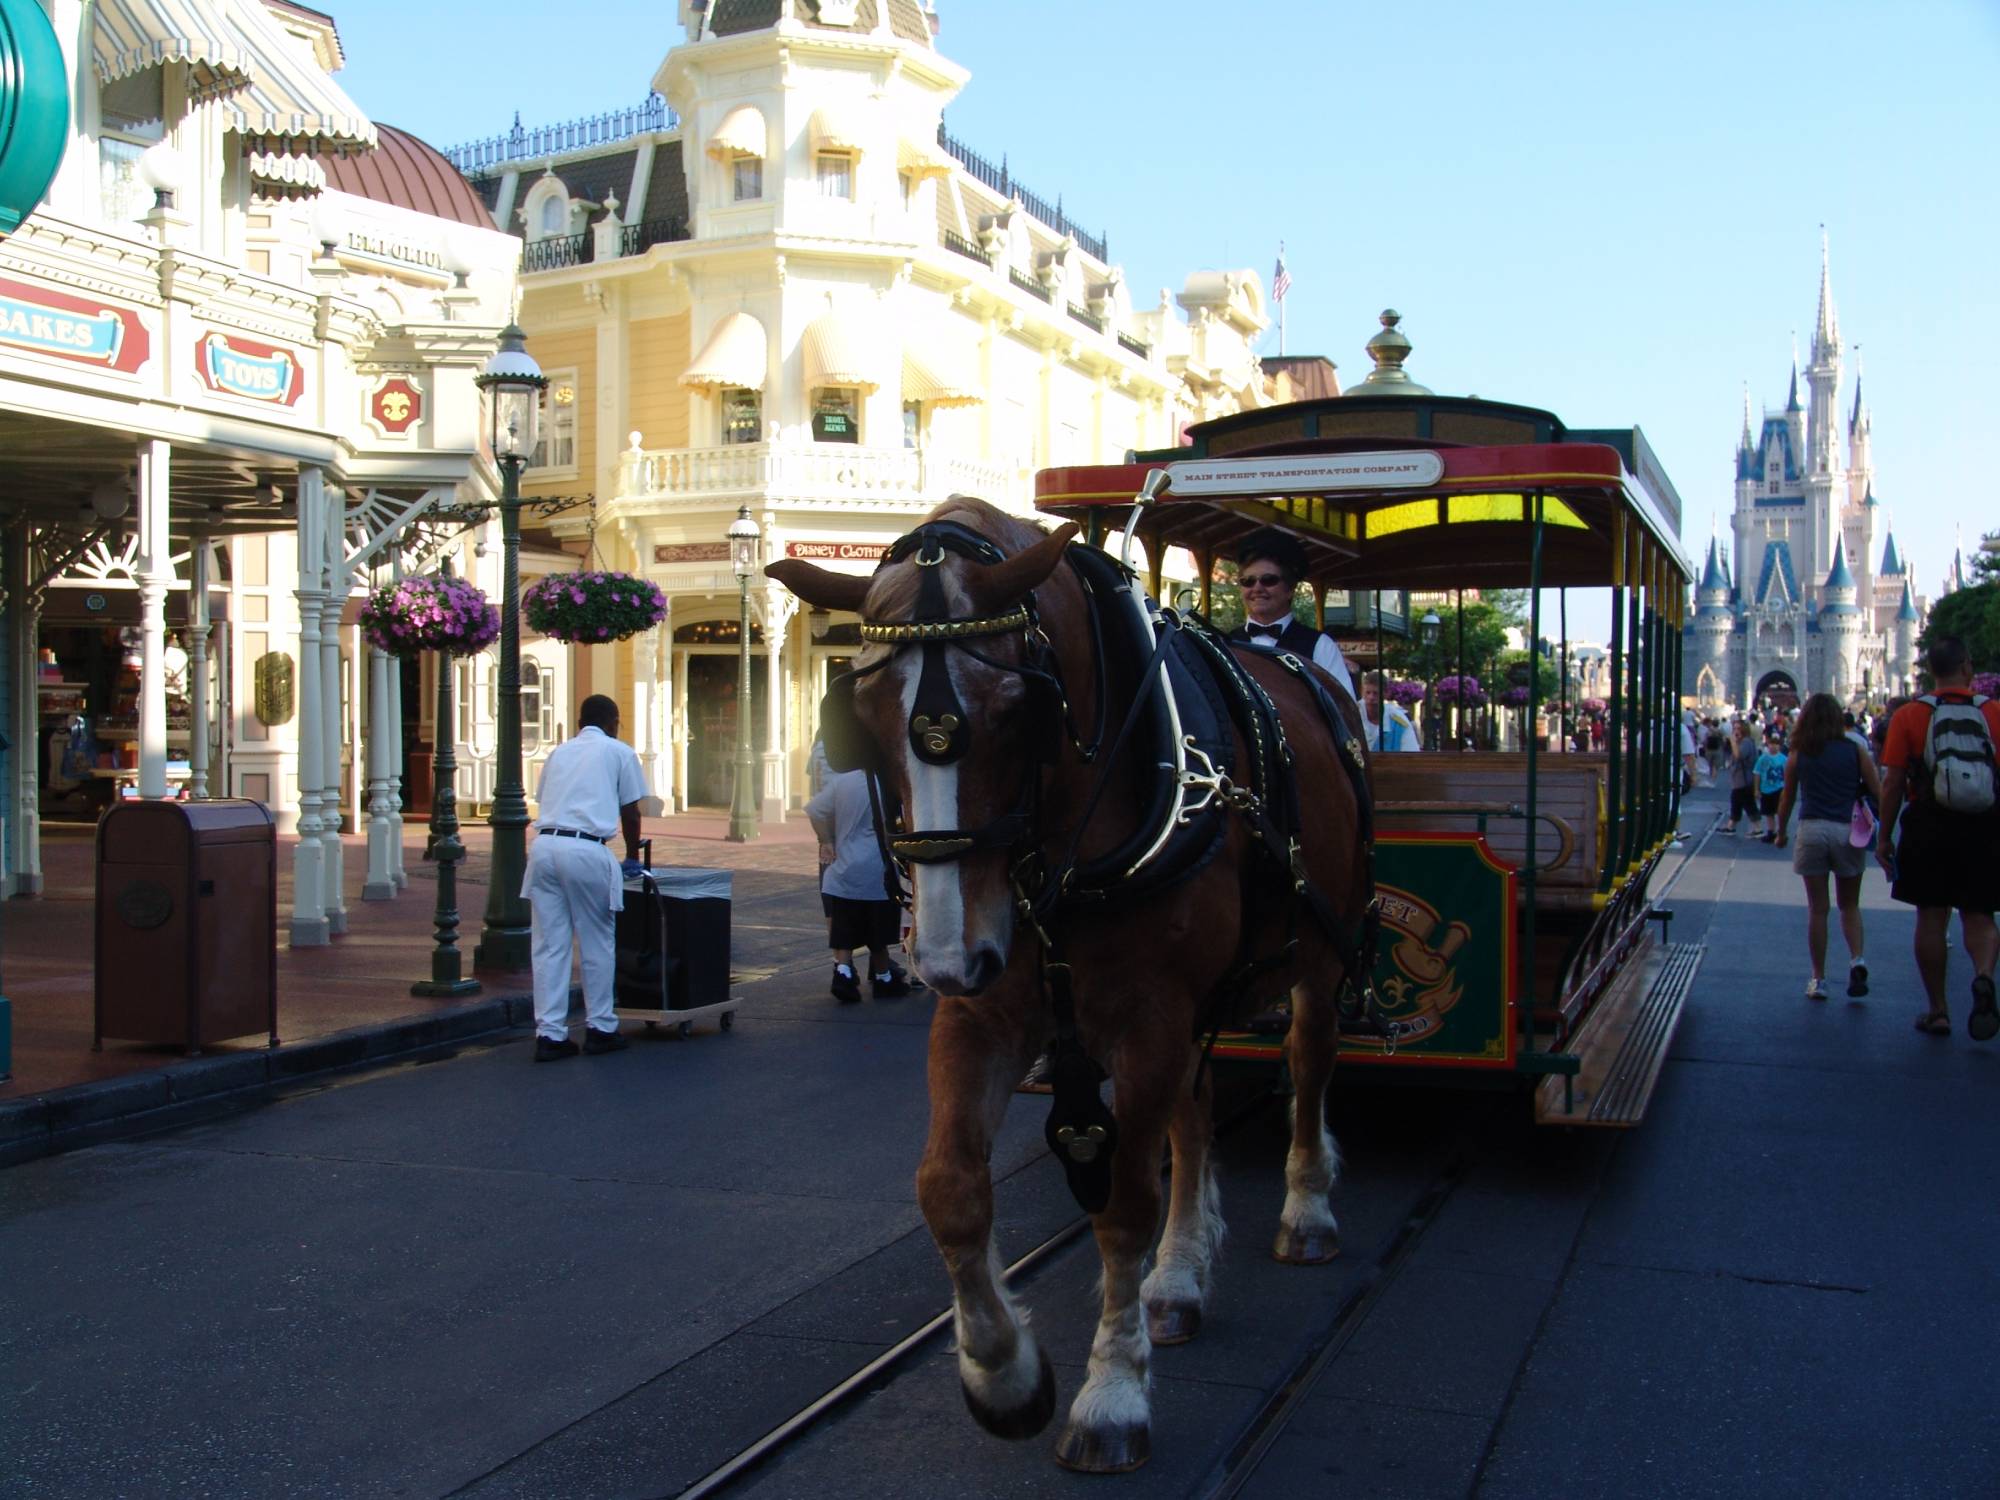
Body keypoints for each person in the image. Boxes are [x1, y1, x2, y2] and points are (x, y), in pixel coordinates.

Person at [1874, 636, 2000, 1039]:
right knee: (1979, 913)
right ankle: (1983, 975)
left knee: (1931, 916)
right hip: (1984, 824)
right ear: (1967, 668)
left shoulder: (1910, 716)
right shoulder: (1995, 713)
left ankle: (1938, 1010)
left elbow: (1893, 781)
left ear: (1930, 671)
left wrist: (1884, 835)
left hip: (1928, 823)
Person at [525, 694, 649, 1061]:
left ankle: (549, 1034)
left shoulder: (558, 752)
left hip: (544, 848)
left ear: (581, 721)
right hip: (586, 848)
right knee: (596, 941)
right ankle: (601, 1027)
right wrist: (632, 854)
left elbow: (545, 799)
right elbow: (630, 811)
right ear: (612, 721)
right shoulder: (619, 752)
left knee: (550, 945)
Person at [1773, 694, 1882, 1001]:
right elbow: (1878, 791)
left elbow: (1787, 798)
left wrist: (1780, 832)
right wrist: (1882, 832)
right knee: (1849, 905)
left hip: (1812, 829)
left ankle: (1818, 979)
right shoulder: (1855, 750)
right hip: (1847, 830)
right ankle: (1857, 959)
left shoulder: (1799, 753)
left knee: (1818, 910)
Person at [807, 767, 913, 1003]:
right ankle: (884, 977)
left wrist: (826, 840)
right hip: (878, 869)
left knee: (843, 928)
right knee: (878, 933)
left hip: (844, 868)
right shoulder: (888, 782)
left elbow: (814, 810)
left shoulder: (842, 781)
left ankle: (843, 973)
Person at [1227, 528, 1356, 698]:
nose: (1257, 588)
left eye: (1268, 580)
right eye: (1248, 582)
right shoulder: (1225, 644)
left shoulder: (1320, 646)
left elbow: (1344, 709)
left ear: (1290, 589)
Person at [1362, 679, 1421, 753]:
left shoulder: (1399, 723)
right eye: (1368, 693)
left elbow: (1411, 755)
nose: (1371, 697)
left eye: (1376, 693)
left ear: (1386, 694)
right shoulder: (1351, 715)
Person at [1724, 719, 1760, 835]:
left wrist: (1733, 742)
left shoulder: (1746, 742)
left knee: (1747, 803)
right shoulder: (1741, 742)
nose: (1736, 731)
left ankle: (1757, 828)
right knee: (1737, 802)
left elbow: (1739, 755)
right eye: (1734, 728)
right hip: (1738, 779)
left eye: (1739, 729)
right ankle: (1731, 826)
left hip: (1744, 780)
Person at [1753, 730, 1788, 841]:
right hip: (1766, 789)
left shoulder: (1784, 759)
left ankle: (1781, 831)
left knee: (1780, 812)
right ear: (1768, 745)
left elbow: (1787, 775)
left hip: (1779, 789)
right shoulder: (1763, 758)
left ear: (1780, 746)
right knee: (1768, 813)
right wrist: (1756, 789)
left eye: (1776, 744)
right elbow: (1757, 773)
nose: (1773, 746)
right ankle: (1771, 831)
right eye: (1771, 744)